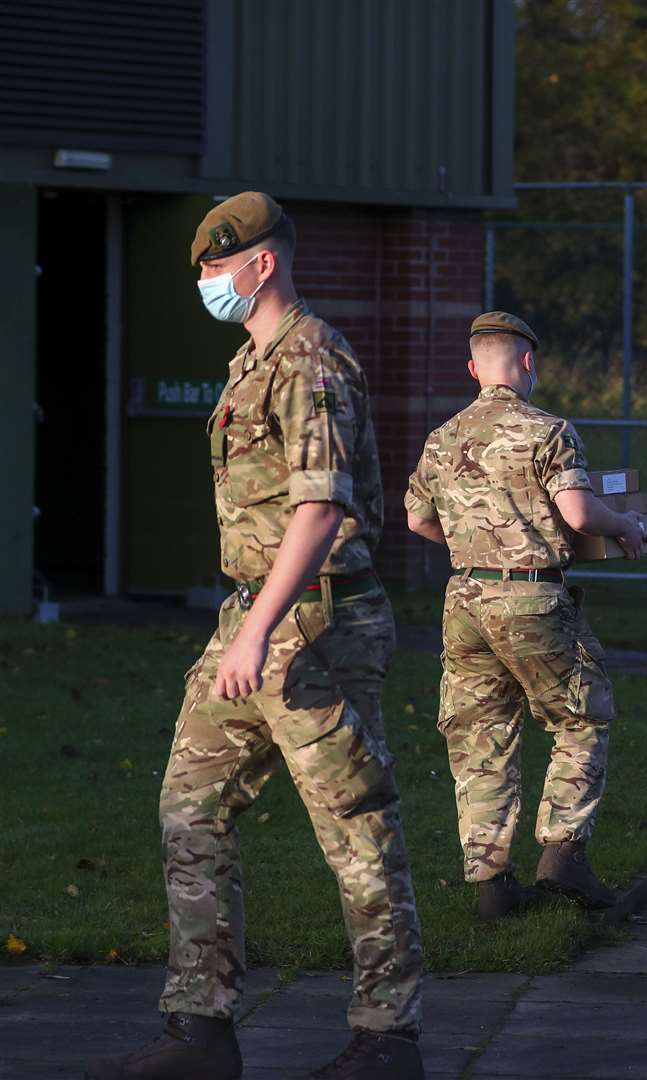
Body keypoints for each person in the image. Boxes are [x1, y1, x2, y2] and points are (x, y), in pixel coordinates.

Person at [88, 192, 425, 1080]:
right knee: (190, 807)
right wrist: (244, 628)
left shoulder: (312, 360)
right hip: (253, 619)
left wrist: (259, 630)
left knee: (356, 828)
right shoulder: (252, 361)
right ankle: (201, 1029)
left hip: (315, 623)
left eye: (214, 267)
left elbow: (320, 509)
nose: (206, 282)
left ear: (261, 264)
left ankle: (388, 1039)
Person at [405, 312, 646, 919]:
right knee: (581, 717)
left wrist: (474, 546)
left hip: (465, 600)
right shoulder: (548, 429)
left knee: (481, 737)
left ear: (473, 368)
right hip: (533, 598)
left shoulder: (443, 437)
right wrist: (626, 527)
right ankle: (563, 853)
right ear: (529, 364)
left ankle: (492, 887)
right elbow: (580, 513)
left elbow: (416, 518)